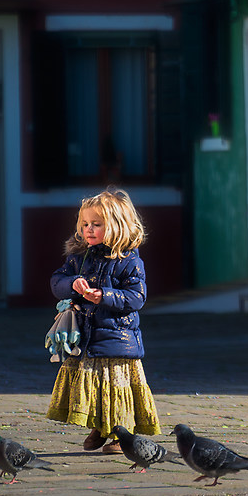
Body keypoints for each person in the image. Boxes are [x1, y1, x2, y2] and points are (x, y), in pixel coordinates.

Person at [47, 188, 161, 453]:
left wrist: (104, 296)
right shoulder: (78, 256)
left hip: (117, 338)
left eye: (96, 224)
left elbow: (136, 297)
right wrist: (72, 284)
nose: (88, 229)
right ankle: (100, 426)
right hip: (87, 335)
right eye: (84, 224)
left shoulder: (128, 260)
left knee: (115, 388)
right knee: (96, 387)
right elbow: (56, 281)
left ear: (117, 227)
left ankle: (122, 437)